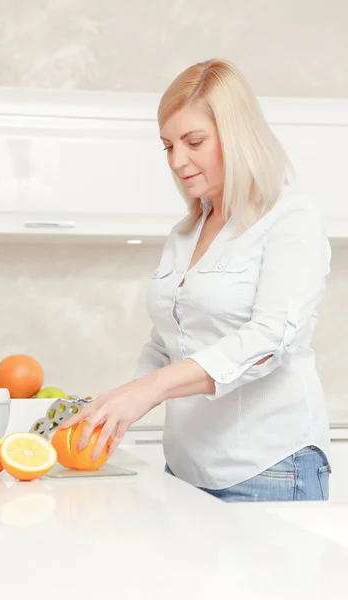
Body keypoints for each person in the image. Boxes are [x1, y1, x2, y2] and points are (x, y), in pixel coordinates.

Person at [61, 59, 332, 502]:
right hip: (185, 468)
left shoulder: (290, 217)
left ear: (238, 135)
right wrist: (114, 405)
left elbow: (270, 340)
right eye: (168, 146)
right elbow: (167, 343)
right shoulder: (185, 233)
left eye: (194, 141)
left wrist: (146, 391)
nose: (177, 160)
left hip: (269, 469)